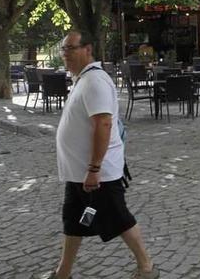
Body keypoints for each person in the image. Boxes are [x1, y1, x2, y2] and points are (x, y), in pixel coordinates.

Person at [44, 30, 159, 279]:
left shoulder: (95, 81)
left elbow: (103, 124)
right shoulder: (83, 79)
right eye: (63, 49)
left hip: (97, 174)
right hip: (80, 173)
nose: (65, 54)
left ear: (88, 49)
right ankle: (63, 273)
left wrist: (94, 169)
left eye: (71, 48)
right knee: (73, 221)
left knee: (119, 219)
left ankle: (147, 268)